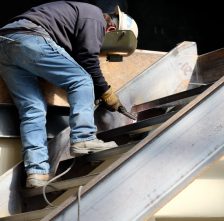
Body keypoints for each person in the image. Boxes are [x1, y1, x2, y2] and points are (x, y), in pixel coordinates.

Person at [0, 1, 138, 188]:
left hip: (5, 42)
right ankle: (83, 138)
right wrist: (106, 92)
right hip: (30, 36)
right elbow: (88, 60)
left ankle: (36, 172)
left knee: (33, 108)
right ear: (112, 28)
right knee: (81, 80)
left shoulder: (78, 17)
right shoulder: (95, 17)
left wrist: (96, 93)